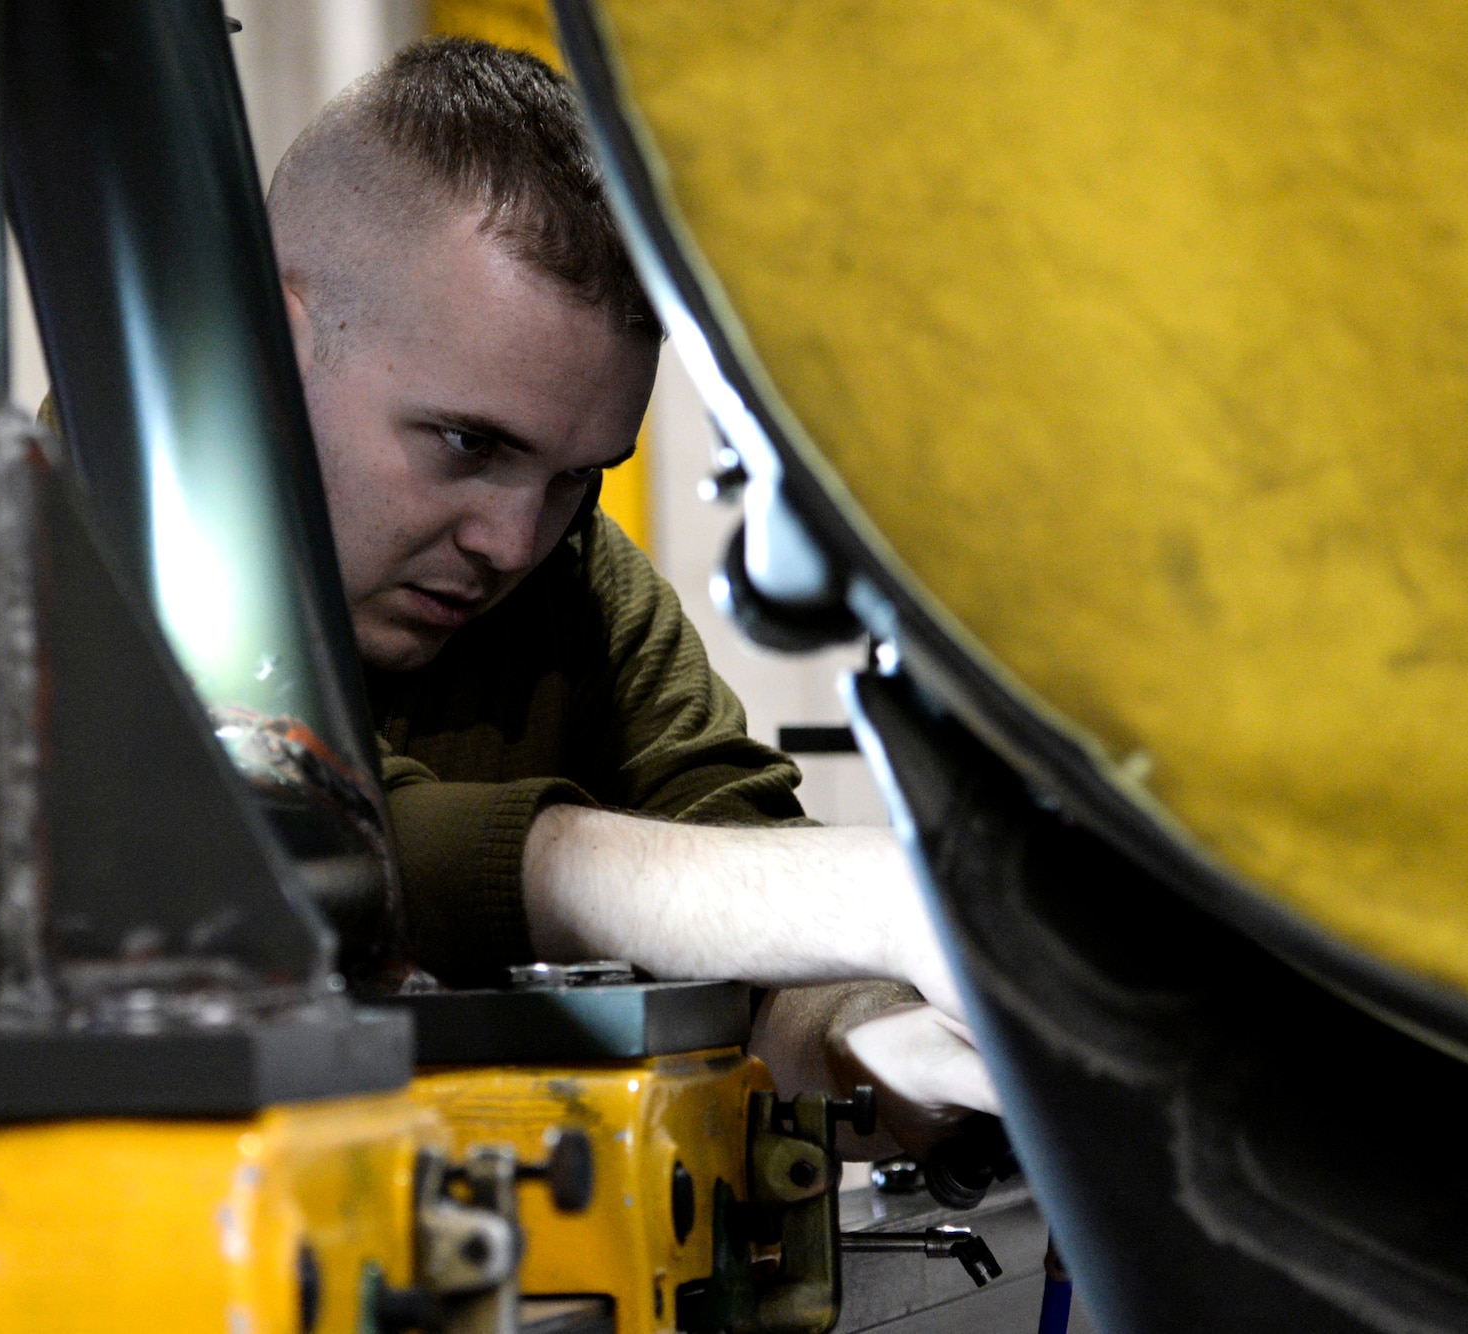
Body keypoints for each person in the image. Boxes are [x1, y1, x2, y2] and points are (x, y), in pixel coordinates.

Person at [265, 36, 995, 1155]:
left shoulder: (566, 579)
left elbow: (732, 865)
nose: (511, 540)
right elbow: (300, 841)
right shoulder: (63, 557)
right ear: (274, 343)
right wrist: (885, 895)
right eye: (467, 443)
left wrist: (870, 1036)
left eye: (576, 473)